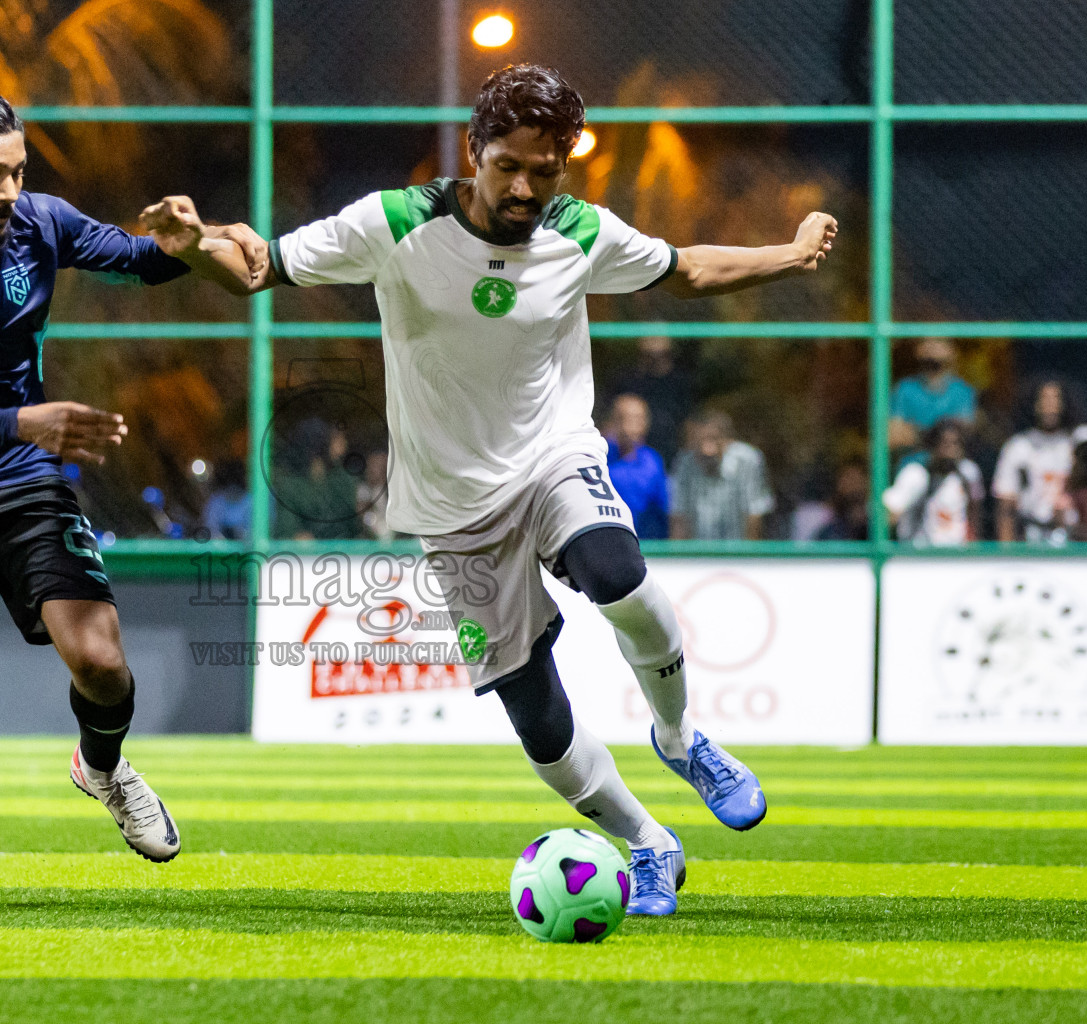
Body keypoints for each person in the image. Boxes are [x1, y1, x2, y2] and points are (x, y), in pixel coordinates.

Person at [224, 64, 839, 915]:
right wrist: (193, 244)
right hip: (451, 506)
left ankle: (681, 736)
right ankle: (649, 842)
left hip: (552, 456)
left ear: (565, 165)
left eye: (543, 171)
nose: (523, 186)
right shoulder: (394, 222)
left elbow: (687, 269)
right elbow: (263, 265)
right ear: (474, 151)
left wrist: (791, 254)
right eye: (506, 165)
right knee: (537, 715)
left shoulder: (580, 233)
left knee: (614, 569)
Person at [0, 84, 265, 907]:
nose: (10, 192)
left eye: (18, 171)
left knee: (103, 665)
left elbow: (150, 258)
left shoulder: (42, 223)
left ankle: (100, 768)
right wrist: (27, 421)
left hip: (16, 475)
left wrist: (197, 237)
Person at [993, 379, 1087, 544]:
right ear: (1033, 404)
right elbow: (1006, 507)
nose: (1050, 406)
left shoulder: (1079, 442)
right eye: (1044, 400)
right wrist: (1007, 551)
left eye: (1055, 399)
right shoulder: (1018, 447)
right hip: (1032, 538)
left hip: (1077, 540)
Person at [669, 410, 775, 540]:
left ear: (727, 440)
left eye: (713, 439)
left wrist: (748, 557)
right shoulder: (684, 463)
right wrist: (678, 558)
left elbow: (754, 516)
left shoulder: (748, 460)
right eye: (699, 441)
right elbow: (679, 519)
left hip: (738, 552)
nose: (706, 450)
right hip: (697, 555)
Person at [882, 419, 983, 546]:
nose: (950, 452)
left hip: (956, 557)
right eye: (945, 444)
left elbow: (974, 511)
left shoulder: (968, 474)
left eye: (955, 444)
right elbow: (889, 514)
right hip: (921, 557)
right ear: (933, 446)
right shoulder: (916, 476)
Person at [605, 336, 693, 462]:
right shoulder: (628, 381)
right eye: (649, 355)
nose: (655, 360)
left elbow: (687, 423)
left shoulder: (680, 382)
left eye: (661, 355)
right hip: (623, 455)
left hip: (670, 453)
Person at [889, 337, 976, 452]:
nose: (931, 347)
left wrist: (917, 433)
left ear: (951, 350)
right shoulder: (905, 389)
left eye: (939, 341)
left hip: (950, 465)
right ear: (917, 350)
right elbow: (893, 437)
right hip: (914, 464)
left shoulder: (962, 391)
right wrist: (938, 432)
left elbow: (961, 436)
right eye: (925, 341)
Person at [602, 394, 669, 540]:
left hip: (645, 547)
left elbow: (664, 511)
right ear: (613, 421)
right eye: (625, 419)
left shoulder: (653, 462)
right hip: (605, 543)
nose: (632, 426)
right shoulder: (599, 458)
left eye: (639, 419)